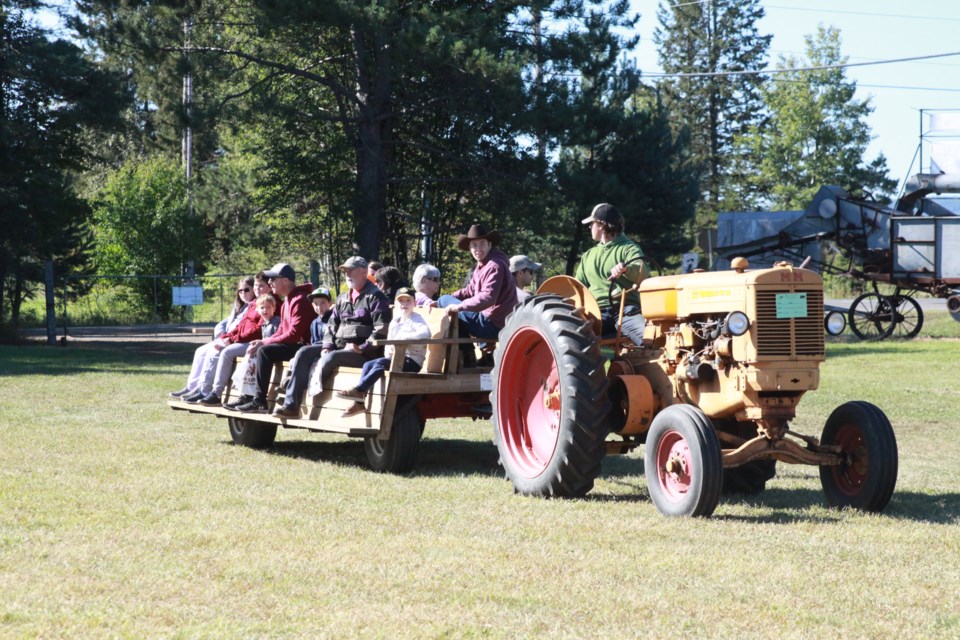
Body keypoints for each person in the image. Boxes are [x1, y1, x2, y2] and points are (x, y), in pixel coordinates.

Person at [276, 256, 391, 418]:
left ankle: (295, 384)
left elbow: (382, 330)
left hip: (364, 354)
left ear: (364, 272)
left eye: (351, 270)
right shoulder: (343, 298)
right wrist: (326, 346)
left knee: (331, 358)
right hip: (338, 347)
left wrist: (363, 347)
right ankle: (291, 407)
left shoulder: (376, 297)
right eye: (345, 271)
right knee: (304, 352)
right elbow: (331, 326)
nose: (347, 274)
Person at [234, 262, 317, 414]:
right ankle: (247, 396)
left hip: (305, 348)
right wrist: (262, 341)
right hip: (294, 345)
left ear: (285, 280)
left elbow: (293, 335)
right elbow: (281, 330)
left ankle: (259, 402)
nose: (270, 282)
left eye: (273, 279)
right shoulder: (288, 299)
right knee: (259, 348)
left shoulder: (300, 299)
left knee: (265, 351)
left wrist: (265, 343)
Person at [337, 287, 430, 418]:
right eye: (401, 301)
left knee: (380, 363)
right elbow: (390, 342)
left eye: (408, 301)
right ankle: (359, 402)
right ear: (396, 304)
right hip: (397, 358)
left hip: (412, 361)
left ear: (414, 303)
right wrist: (389, 355)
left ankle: (359, 390)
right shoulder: (395, 321)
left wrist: (404, 339)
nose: (404, 304)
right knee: (368, 365)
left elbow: (425, 334)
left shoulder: (417, 319)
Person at [435, 223, 517, 366]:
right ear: (469, 248)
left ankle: (469, 356)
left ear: (490, 244)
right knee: (445, 302)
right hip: (491, 321)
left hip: (493, 325)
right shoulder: (483, 265)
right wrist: (452, 298)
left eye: (482, 244)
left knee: (444, 301)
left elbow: (487, 298)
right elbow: (469, 291)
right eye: (474, 245)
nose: (478, 249)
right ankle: (479, 353)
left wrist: (458, 307)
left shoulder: (494, 266)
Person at [194, 274, 278, 406]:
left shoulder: (269, 303)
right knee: (212, 349)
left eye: (261, 285)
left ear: (269, 287)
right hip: (244, 340)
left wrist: (232, 340)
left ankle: (216, 393)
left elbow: (257, 330)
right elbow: (241, 325)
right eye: (256, 285)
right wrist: (225, 337)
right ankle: (200, 388)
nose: (257, 288)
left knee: (227, 352)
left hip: (258, 342)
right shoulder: (253, 304)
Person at [574, 203, 650, 346]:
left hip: (625, 311)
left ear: (601, 225)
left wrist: (626, 269)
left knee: (650, 338)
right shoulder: (588, 256)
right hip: (595, 314)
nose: (590, 227)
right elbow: (577, 288)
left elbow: (642, 274)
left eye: (592, 224)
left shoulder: (629, 249)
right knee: (573, 340)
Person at [170, 276, 256, 400]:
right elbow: (223, 323)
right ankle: (192, 387)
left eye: (246, 290)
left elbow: (245, 329)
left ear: (254, 290)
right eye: (240, 290)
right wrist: (221, 334)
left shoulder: (254, 306)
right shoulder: (239, 305)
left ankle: (204, 389)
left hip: (236, 340)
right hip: (226, 337)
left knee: (214, 351)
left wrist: (228, 339)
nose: (243, 293)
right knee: (200, 351)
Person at [263, 286, 334, 416]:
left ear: (330, 303)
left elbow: (331, 341)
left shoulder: (334, 318)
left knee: (303, 351)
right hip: (315, 348)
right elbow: (313, 341)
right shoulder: (314, 322)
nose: (319, 307)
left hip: (328, 348)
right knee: (298, 356)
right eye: (316, 304)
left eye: (323, 303)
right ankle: (288, 383)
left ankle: (290, 395)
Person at [226, 294, 282, 404]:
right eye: (262, 307)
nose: (265, 310)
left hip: (272, 351)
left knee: (254, 358)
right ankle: (245, 394)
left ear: (274, 308)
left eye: (268, 307)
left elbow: (275, 338)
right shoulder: (263, 324)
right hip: (265, 351)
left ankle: (250, 396)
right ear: (257, 309)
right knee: (249, 358)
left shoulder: (276, 321)